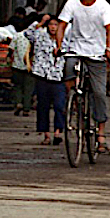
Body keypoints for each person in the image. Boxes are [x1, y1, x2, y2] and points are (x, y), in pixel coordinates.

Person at [56, 0, 110, 155]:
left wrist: (108, 48)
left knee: (99, 93)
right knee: (67, 68)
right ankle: (75, 100)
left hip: (97, 54)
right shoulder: (71, 4)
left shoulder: (103, 6)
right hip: (76, 50)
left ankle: (101, 134)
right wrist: (58, 45)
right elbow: (61, 25)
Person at [25, 14, 65, 145]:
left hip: (58, 76)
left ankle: (58, 131)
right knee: (43, 106)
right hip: (42, 75)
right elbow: (27, 33)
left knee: (60, 105)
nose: (53, 27)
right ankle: (46, 134)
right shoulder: (41, 36)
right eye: (51, 24)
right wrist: (41, 22)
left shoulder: (65, 39)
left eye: (56, 25)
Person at [10, 16, 35, 117]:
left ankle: (18, 103)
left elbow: (11, 49)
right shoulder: (34, 37)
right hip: (30, 66)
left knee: (17, 86)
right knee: (29, 88)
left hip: (17, 65)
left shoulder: (17, 36)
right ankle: (26, 108)